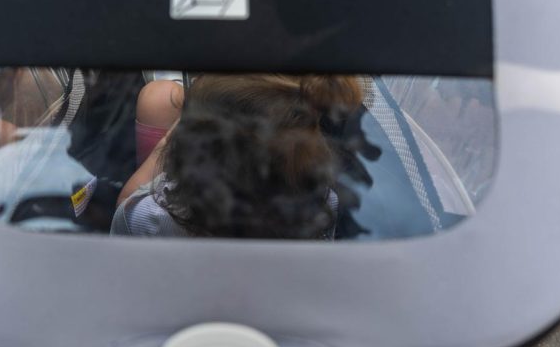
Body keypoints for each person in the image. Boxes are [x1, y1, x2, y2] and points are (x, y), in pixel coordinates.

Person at [112, 74, 368, 239]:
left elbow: (124, 211)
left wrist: (166, 142)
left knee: (157, 97)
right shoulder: (321, 204)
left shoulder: (151, 216)